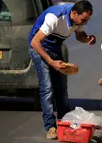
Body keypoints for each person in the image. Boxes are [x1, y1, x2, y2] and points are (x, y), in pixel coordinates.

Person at [28, 0, 96, 140]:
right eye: (84, 19)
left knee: (61, 87)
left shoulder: (78, 20)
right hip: (39, 49)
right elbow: (35, 42)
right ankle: (50, 127)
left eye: (87, 20)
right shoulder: (55, 17)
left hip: (55, 48)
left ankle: (65, 122)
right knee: (47, 88)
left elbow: (80, 36)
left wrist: (88, 39)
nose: (85, 23)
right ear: (74, 13)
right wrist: (52, 62)